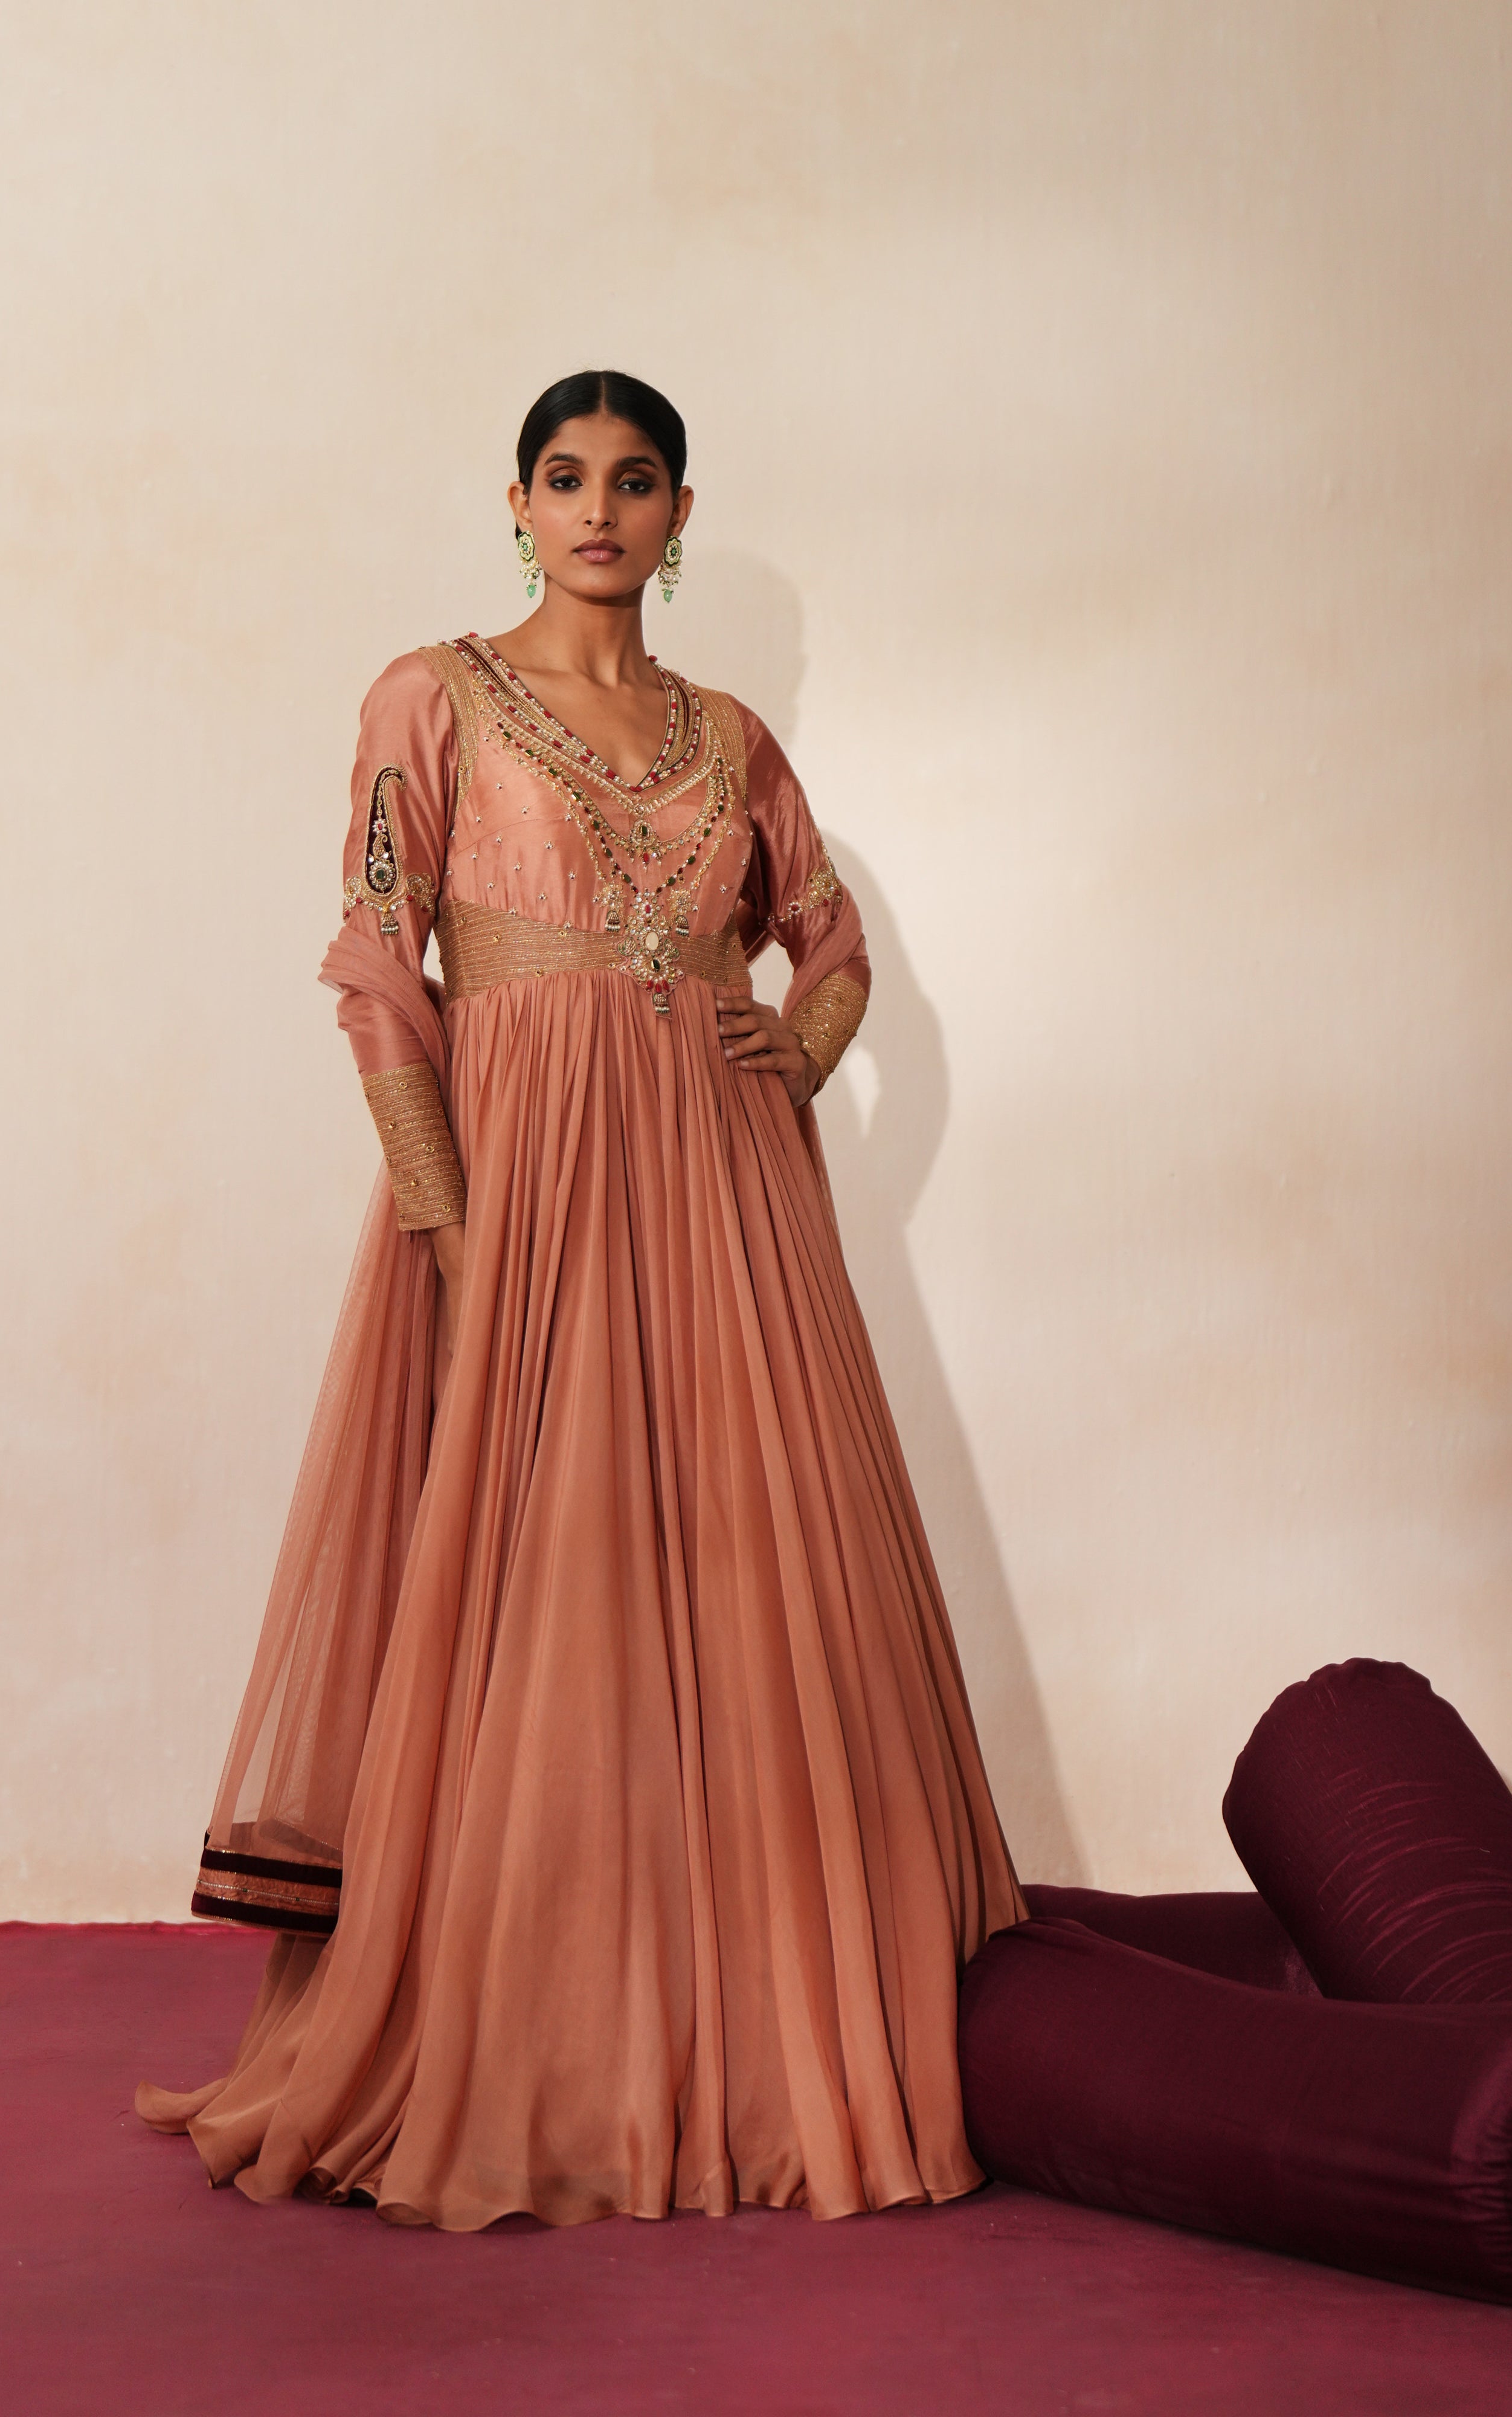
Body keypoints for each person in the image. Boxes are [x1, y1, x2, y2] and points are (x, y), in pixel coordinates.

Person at [137, 370, 1025, 2228]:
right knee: (528, 1571)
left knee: (730, 1571)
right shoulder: (430, 696)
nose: (600, 509)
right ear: (518, 504)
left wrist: (789, 1048)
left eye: (637, 482)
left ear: (680, 518)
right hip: (518, 1184)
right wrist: (448, 1218)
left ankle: (742, 2031)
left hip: (722, 1194)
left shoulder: (732, 735)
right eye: (567, 478)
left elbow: (834, 946)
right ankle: (529, 2028)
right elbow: (385, 969)